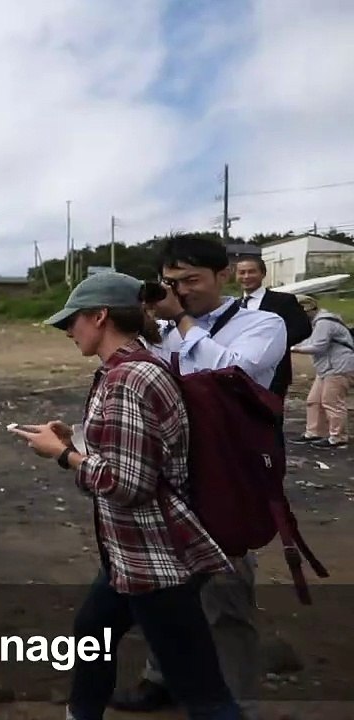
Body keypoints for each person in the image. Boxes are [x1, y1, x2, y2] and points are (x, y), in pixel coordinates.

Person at [13, 271, 241, 720]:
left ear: (100, 316)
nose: (68, 331)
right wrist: (75, 441)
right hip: (129, 553)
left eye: (72, 321)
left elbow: (128, 484)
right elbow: (134, 449)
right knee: (92, 630)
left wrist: (63, 456)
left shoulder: (127, 379)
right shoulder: (133, 369)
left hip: (153, 558)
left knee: (200, 688)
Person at [112, 235, 287, 719]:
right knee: (161, 582)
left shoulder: (261, 323)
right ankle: (161, 677)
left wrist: (184, 323)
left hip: (227, 469)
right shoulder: (163, 330)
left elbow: (236, 373)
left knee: (226, 590)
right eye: (171, 282)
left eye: (191, 281)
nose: (181, 291)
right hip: (171, 466)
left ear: (223, 275)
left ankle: (236, 700)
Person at [234, 256, 312, 400]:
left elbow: (303, 329)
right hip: (239, 373)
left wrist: (272, 345)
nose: (246, 276)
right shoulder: (234, 306)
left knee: (270, 412)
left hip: (275, 373)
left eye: (251, 272)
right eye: (242, 272)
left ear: (263, 274)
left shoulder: (283, 301)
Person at [289, 294, 354, 448]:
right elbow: (310, 341)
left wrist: (293, 348)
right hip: (326, 368)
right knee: (314, 401)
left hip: (338, 367)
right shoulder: (317, 323)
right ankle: (314, 432)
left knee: (332, 402)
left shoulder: (324, 322)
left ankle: (338, 437)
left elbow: (318, 346)